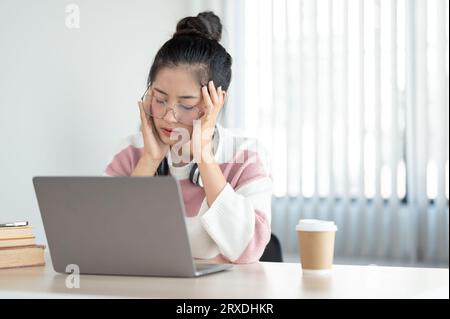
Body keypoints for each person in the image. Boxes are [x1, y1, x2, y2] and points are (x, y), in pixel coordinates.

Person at [104, 11, 272, 264]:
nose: (169, 117)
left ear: (216, 101)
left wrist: (204, 156)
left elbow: (247, 250)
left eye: (186, 104)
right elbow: (105, 240)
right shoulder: (130, 153)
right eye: (160, 99)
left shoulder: (245, 156)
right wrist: (149, 161)